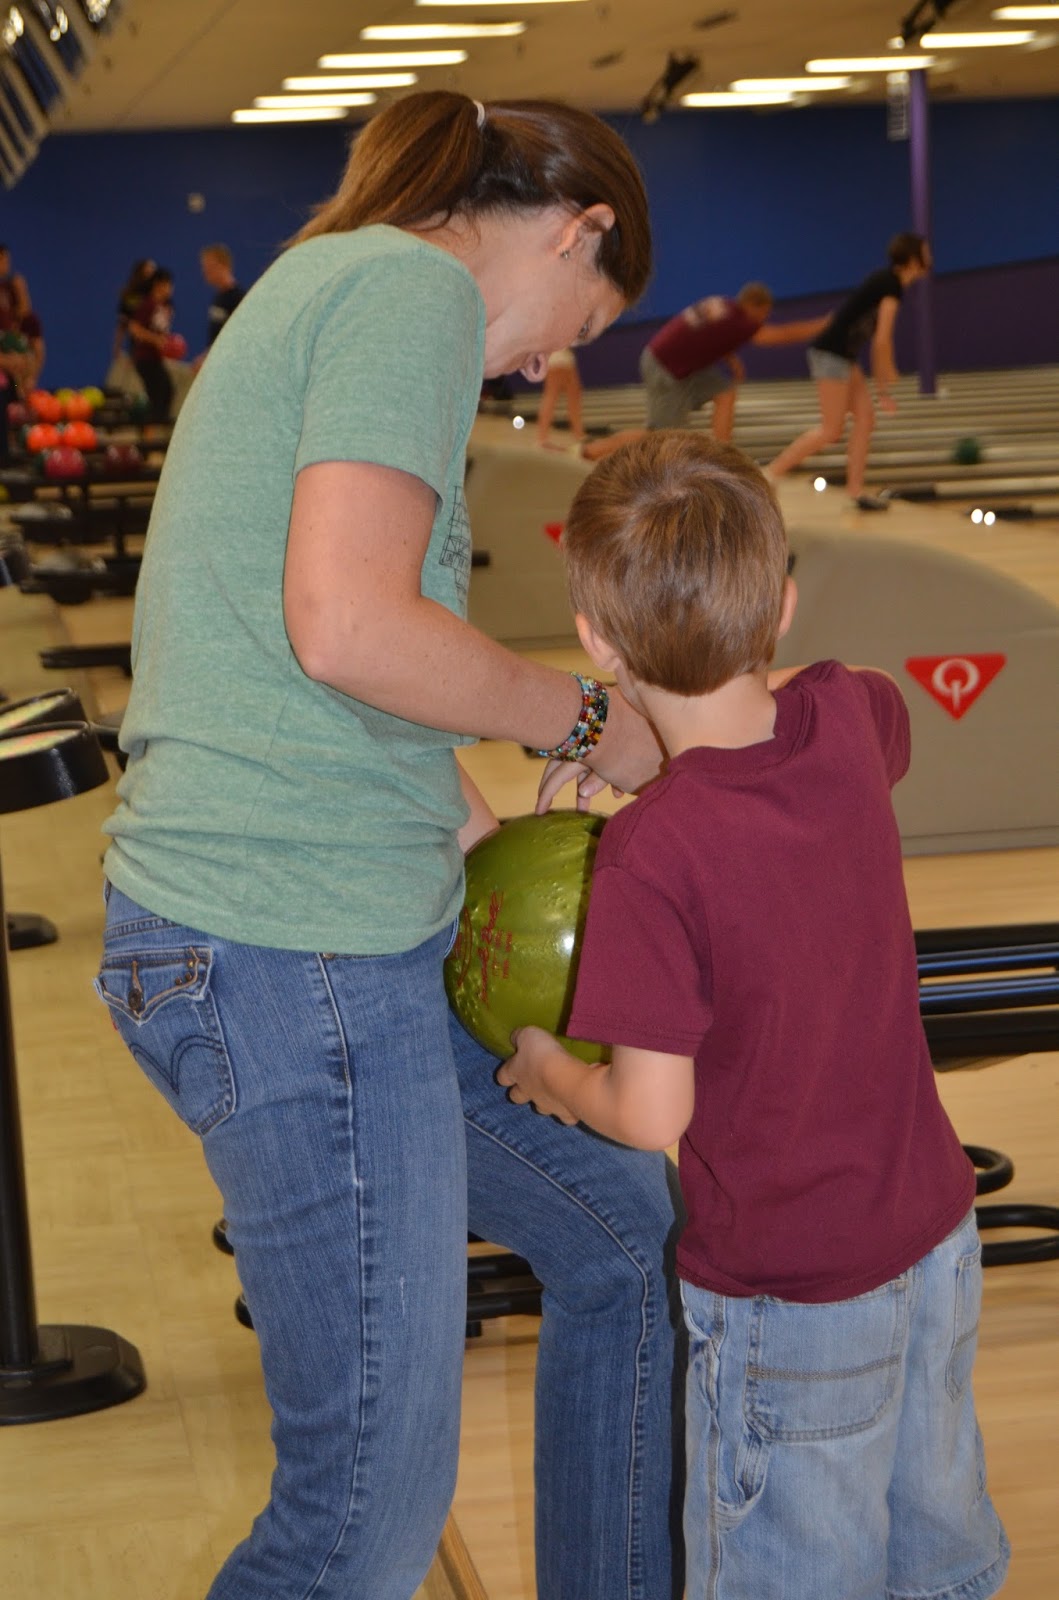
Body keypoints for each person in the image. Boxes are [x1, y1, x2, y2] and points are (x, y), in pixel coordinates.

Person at [96, 92, 685, 1600]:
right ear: (576, 228)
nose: (544, 367)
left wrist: (480, 826)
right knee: (361, 1520)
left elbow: (313, 671)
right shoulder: (411, 289)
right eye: (577, 327)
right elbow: (349, 628)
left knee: (628, 1234)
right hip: (293, 950)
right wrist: (588, 720)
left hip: (314, 927)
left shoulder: (327, 278)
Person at [499, 432, 1010, 1600]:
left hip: (793, 1295)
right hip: (935, 1240)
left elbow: (649, 1112)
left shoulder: (649, 855)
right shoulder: (846, 716)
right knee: (936, 1553)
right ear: (781, 603)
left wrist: (546, 1068)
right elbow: (851, 723)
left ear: (597, 642)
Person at [766, 232, 932, 510]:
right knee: (831, 430)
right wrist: (887, 378)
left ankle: (855, 492)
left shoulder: (887, 281)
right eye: (926, 253)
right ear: (914, 260)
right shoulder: (891, 285)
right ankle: (769, 474)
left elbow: (876, 339)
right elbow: (882, 340)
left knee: (865, 419)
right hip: (830, 353)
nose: (931, 258)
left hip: (842, 356)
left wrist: (882, 389)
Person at [639, 282, 828, 440]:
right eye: (764, 313)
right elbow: (782, 335)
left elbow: (707, 335)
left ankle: (722, 452)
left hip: (676, 363)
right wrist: (825, 324)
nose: (763, 319)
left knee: (725, 392)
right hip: (663, 367)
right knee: (661, 435)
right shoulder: (739, 322)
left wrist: (733, 361)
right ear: (754, 306)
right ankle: (618, 449)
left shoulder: (726, 306)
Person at [127, 265, 176, 423]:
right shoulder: (147, 305)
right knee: (161, 394)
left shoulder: (165, 306)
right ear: (158, 285)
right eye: (168, 285)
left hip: (156, 358)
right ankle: (153, 430)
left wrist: (168, 344)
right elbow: (134, 328)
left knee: (166, 392)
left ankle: (155, 428)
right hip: (145, 358)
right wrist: (155, 340)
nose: (170, 289)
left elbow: (163, 333)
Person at [199, 242, 245, 355]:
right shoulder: (218, 298)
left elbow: (236, 339)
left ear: (223, 265)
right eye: (204, 267)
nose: (205, 271)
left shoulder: (239, 299)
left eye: (209, 267)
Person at [537, 345, 583, 447]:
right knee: (565, 399)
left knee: (553, 398)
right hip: (561, 361)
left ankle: (542, 437)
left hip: (557, 361)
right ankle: (578, 436)